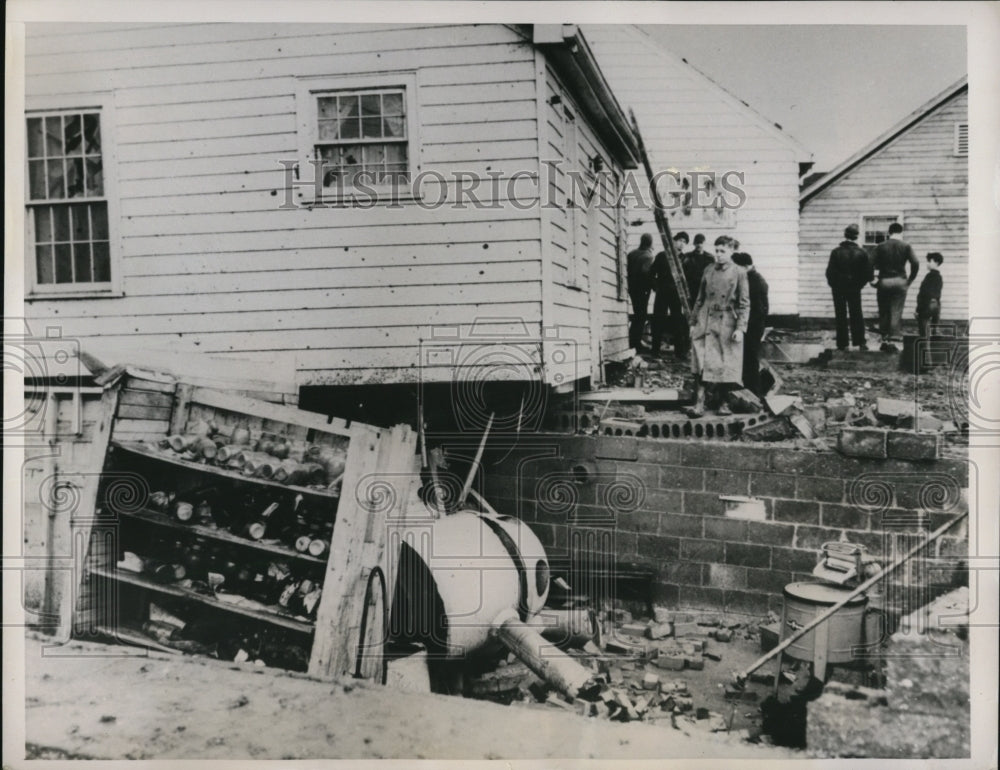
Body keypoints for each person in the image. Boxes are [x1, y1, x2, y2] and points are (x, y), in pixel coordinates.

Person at [687, 235, 750, 417]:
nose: (719, 255)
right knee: (700, 360)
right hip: (705, 319)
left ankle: (723, 403)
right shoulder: (708, 270)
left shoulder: (739, 272)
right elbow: (699, 299)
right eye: (716, 250)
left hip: (726, 321)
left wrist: (740, 328)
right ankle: (699, 404)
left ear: (731, 251)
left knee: (724, 362)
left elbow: (745, 303)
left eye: (723, 251)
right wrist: (693, 322)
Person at [871, 222, 919, 350]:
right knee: (896, 311)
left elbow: (868, 264)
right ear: (901, 232)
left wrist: (872, 279)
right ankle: (893, 340)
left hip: (884, 281)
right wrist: (910, 280)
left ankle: (885, 340)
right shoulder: (906, 246)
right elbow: (915, 262)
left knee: (884, 310)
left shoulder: (880, 246)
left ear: (889, 232)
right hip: (900, 281)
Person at [826, 224, 873, 350]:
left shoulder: (836, 252)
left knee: (840, 314)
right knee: (857, 313)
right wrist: (859, 285)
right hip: (855, 288)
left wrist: (835, 285)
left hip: (838, 288)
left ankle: (842, 344)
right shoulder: (862, 252)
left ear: (845, 235)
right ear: (857, 237)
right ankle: (860, 342)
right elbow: (868, 273)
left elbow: (830, 273)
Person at [731, 252, 769, 396]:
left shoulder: (755, 282)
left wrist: (744, 326)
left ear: (745, 266)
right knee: (747, 360)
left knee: (750, 360)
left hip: (752, 326)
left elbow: (759, 310)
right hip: (750, 325)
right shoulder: (750, 278)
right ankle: (749, 391)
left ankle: (754, 393)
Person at [650, 231, 689, 356]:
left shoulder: (685, 259)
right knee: (658, 319)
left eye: (684, 242)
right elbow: (651, 274)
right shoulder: (662, 256)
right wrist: (656, 287)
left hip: (677, 295)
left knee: (677, 320)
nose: (681, 244)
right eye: (680, 240)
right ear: (673, 240)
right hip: (662, 293)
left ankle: (680, 352)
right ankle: (655, 350)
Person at [626, 233, 656, 352]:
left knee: (637, 314)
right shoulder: (648, 256)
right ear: (650, 243)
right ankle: (635, 343)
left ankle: (633, 341)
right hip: (642, 290)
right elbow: (646, 274)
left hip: (632, 289)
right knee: (641, 316)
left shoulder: (631, 254)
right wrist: (654, 286)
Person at [915, 252, 944, 337]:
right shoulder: (939, 277)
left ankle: (925, 348)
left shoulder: (929, 276)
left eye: (929, 261)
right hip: (936, 305)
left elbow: (924, 293)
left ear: (936, 263)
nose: (927, 263)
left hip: (927, 305)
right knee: (933, 331)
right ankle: (935, 332)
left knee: (924, 331)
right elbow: (938, 294)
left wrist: (918, 309)